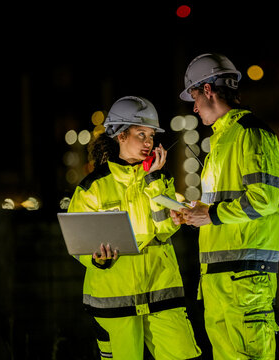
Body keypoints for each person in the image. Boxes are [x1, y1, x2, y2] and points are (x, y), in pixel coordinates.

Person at [67, 96, 201, 360]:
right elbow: (78, 243)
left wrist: (154, 179)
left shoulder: (159, 179)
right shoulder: (92, 187)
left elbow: (164, 230)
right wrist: (95, 259)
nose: (149, 141)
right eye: (141, 133)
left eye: (151, 135)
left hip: (162, 294)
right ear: (120, 135)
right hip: (116, 301)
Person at [171, 53, 279, 360]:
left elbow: (265, 199)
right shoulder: (222, 141)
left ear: (208, 90)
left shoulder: (251, 133)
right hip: (220, 282)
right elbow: (221, 207)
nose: (193, 107)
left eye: (194, 96)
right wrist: (196, 211)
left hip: (245, 280)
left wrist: (210, 214)